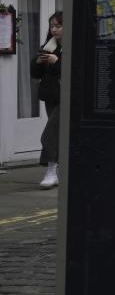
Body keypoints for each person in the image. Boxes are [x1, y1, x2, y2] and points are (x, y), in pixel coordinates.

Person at [31, 11, 63, 188]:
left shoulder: (74, 45)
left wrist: (57, 61)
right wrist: (38, 61)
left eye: (58, 26)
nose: (54, 30)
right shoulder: (49, 46)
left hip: (68, 97)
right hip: (51, 97)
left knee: (49, 133)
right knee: (59, 135)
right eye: (52, 26)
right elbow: (35, 74)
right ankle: (57, 170)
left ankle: (51, 171)